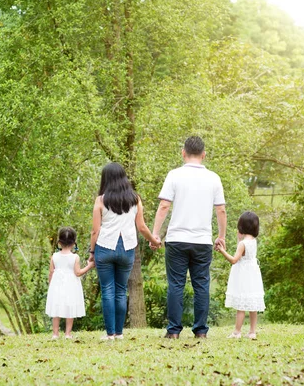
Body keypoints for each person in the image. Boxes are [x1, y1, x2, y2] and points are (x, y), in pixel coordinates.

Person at [152, 136, 227, 339]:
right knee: (201, 284)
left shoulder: (174, 175)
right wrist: (221, 236)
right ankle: (201, 331)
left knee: (176, 284)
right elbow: (220, 210)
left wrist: (155, 234)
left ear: (183, 153)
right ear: (204, 155)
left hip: (177, 239)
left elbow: (164, 206)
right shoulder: (214, 178)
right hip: (202, 240)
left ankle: (174, 331)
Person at [89, 162, 161, 341]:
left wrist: (91, 252)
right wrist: (154, 241)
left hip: (105, 247)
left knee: (107, 290)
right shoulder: (135, 199)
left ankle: (110, 334)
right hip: (128, 248)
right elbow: (142, 227)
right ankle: (120, 333)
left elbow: (95, 231)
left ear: (105, 179)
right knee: (121, 291)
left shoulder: (100, 200)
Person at [217, 211, 265, 340]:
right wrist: (240, 238)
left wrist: (222, 251)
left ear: (241, 226)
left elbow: (234, 260)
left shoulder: (242, 244)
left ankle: (237, 331)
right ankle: (252, 332)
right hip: (252, 274)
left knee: (241, 305)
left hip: (243, 275)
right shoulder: (253, 241)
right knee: (252, 304)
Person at [45, 227, 94, 339]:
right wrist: (89, 266)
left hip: (56, 286)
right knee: (69, 308)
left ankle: (55, 334)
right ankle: (67, 334)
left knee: (56, 309)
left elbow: (51, 272)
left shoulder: (54, 256)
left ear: (59, 242)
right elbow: (78, 273)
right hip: (71, 286)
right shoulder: (75, 257)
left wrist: (50, 285)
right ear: (73, 243)